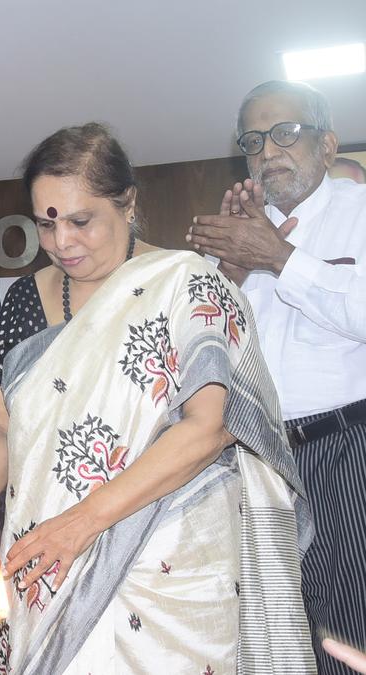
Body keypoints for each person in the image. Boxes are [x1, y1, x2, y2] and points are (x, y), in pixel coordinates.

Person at [0, 122, 313, 673]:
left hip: (166, 567)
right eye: (46, 224)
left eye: (80, 221)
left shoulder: (187, 283)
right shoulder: (25, 298)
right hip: (47, 565)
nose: (61, 242)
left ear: (128, 204)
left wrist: (84, 522)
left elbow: (211, 426)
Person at [189, 80, 366, 674]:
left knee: (346, 630)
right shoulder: (240, 232)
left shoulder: (358, 212)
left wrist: (278, 257)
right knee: (269, 627)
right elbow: (196, 351)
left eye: (286, 133)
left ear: (327, 144)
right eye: (253, 141)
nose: (268, 152)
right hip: (253, 459)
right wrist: (231, 270)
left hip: (343, 449)